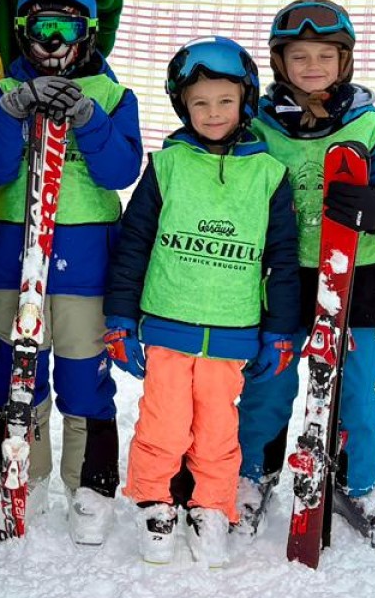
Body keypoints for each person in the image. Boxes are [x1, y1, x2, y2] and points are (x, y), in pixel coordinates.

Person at [105, 39, 300, 567]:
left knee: (218, 430)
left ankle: (212, 507)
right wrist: (120, 318)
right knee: (162, 424)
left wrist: (281, 331)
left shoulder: (269, 176)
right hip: (168, 326)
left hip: (233, 330)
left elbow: (282, 260)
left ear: (245, 103)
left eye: (224, 102)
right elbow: (133, 245)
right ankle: (153, 503)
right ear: (183, 107)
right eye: (200, 103)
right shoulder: (167, 167)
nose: (213, 113)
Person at [0, 0, 144, 543]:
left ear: (87, 33)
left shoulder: (115, 96)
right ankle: (23, 475)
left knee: (82, 372)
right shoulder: (3, 92)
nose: (51, 42)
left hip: (85, 254)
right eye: (39, 28)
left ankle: (88, 484)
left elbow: (121, 172)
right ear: (23, 33)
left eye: (64, 28)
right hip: (12, 252)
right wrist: (11, 115)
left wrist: (92, 122)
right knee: (15, 371)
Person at [239, 0, 375, 546]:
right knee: (269, 380)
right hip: (282, 275)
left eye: (325, 56)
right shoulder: (260, 127)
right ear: (279, 62)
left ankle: (354, 481)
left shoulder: (368, 125)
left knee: (356, 388)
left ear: (345, 62)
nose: (312, 67)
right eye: (299, 56)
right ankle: (254, 474)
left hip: (355, 275)